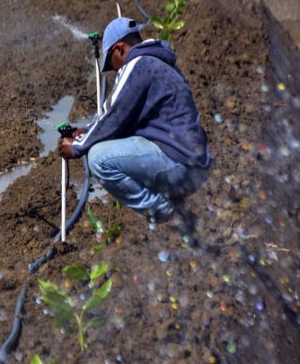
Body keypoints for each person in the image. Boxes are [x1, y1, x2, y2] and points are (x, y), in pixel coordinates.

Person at [58, 17, 211, 223]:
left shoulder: (138, 65)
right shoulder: (158, 62)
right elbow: (118, 116)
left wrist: (76, 146)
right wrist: (85, 131)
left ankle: (162, 211)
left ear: (119, 49)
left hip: (179, 164)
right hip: (195, 163)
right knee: (108, 144)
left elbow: (114, 117)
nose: (115, 71)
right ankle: (175, 205)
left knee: (98, 158)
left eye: (112, 64)